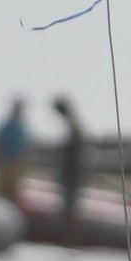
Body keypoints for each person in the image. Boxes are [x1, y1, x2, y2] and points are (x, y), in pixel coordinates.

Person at [51, 95, 86, 237]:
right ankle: (69, 237)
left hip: (73, 175)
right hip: (70, 174)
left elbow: (80, 149)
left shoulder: (74, 125)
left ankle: (71, 238)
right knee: (68, 208)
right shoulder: (72, 124)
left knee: (70, 209)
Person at [0, 97, 31, 200]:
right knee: (3, 193)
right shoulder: (6, 126)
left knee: (13, 193)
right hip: (5, 164)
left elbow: (25, 149)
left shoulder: (22, 128)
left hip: (16, 165)